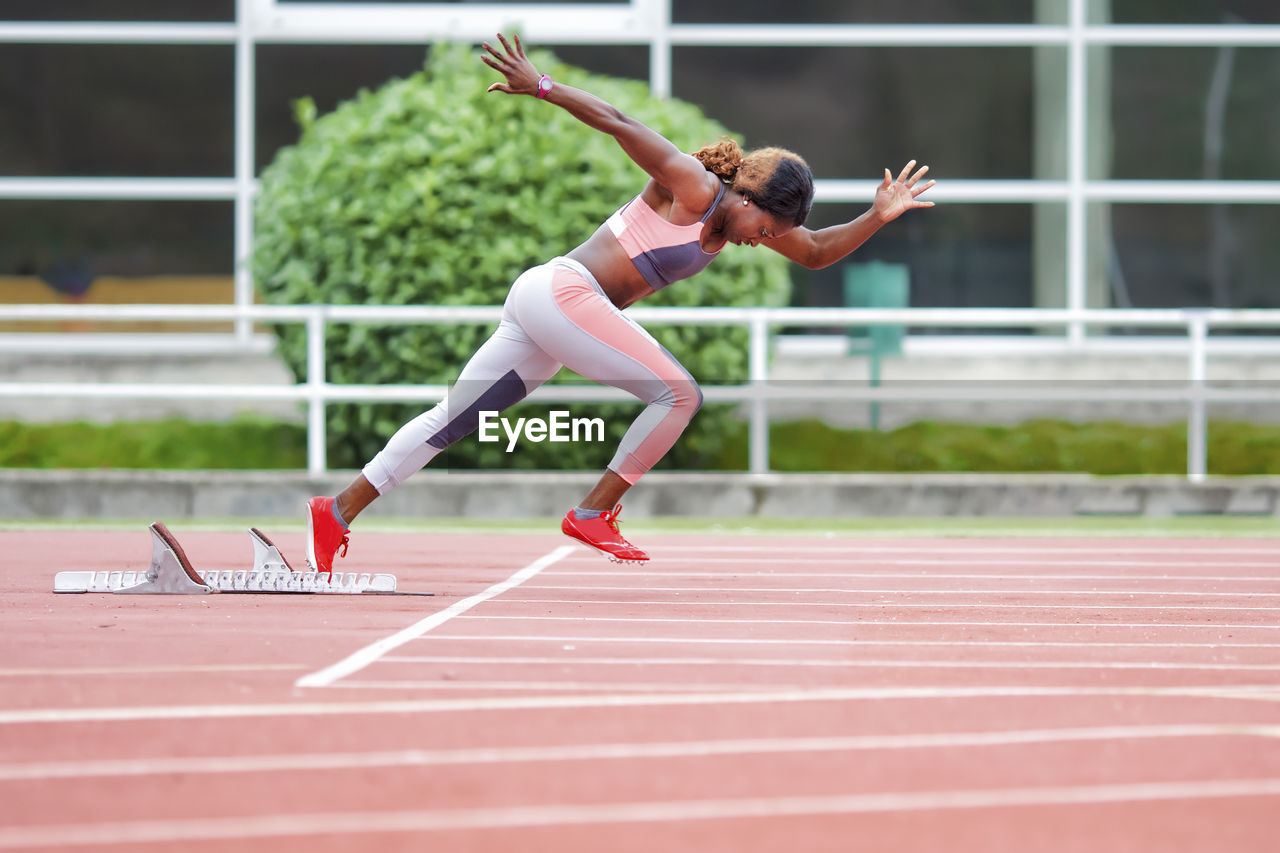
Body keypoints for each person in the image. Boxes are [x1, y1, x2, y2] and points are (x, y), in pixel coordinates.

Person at [305, 32, 935, 573]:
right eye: (765, 228)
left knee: (455, 419)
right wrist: (543, 86)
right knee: (680, 393)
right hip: (562, 292)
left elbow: (818, 251)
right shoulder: (693, 188)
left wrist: (877, 216)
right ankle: (592, 512)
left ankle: (335, 512)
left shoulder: (745, 221)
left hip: (547, 308)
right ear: (746, 196)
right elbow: (622, 123)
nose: (763, 241)